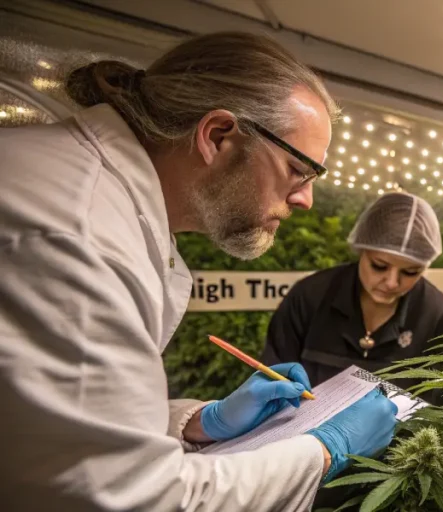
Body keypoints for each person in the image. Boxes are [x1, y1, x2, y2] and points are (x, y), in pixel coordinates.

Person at [0, 32, 398, 511]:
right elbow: (136, 498)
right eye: (298, 169)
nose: (305, 200)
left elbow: (54, 429)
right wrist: (323, 449)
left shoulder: (102, 203)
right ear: (217, 136)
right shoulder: (79, 235)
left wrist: (197, 422)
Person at [262, 192, 443, 396]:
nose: (392, 282)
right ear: (361, 250)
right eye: (379, 266)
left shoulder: (441, 318)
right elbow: (273, 381)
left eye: (411, 272)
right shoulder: (309, 297)